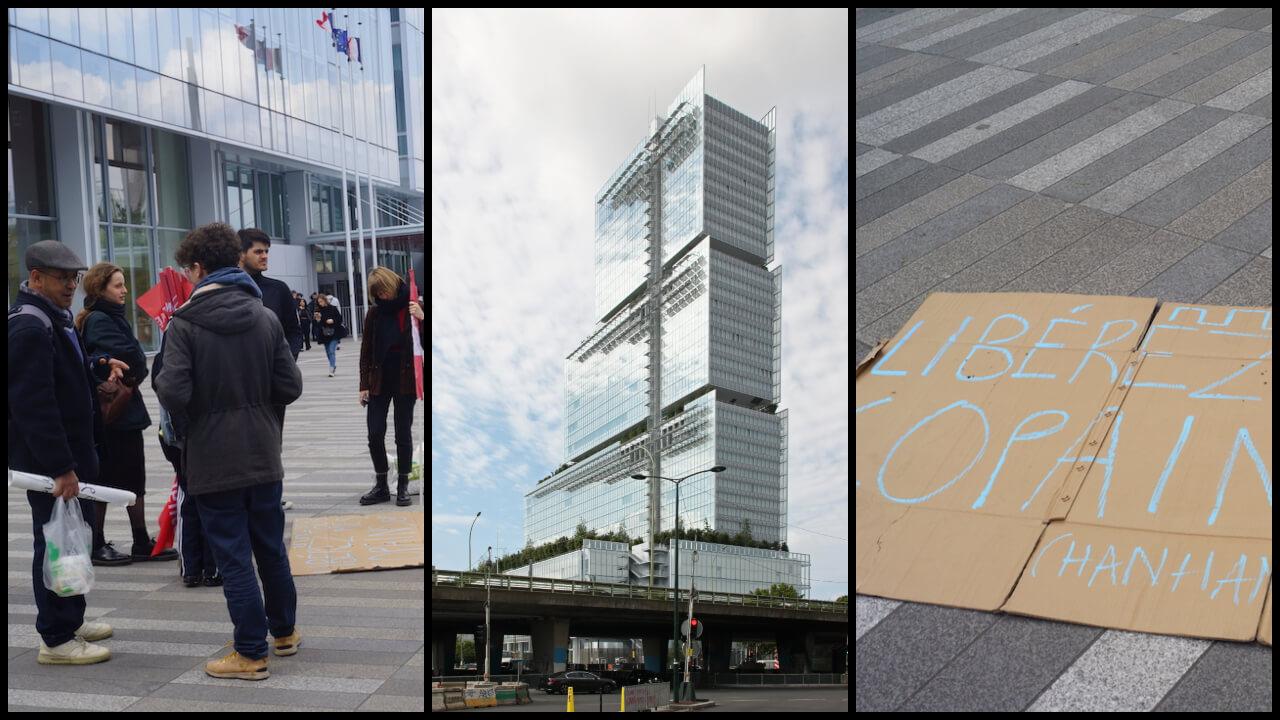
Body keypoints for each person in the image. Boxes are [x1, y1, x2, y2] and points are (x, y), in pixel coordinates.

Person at [153, 222, 303, 681]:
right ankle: (284, 633)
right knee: (270, 548)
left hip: (214, 459)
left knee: (234, 556)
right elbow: (291, 385)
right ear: (235, 261)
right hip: (262, 452)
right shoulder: (265, 317)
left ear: (198, 268)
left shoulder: (185, 325)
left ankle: (250, 651)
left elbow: (172, 390)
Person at [8, 240, 128, 665]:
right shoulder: (28, 325)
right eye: (63, 278)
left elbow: (62, 372)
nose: (72, 286)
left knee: (72, 540)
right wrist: (61, 468)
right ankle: (55, 637)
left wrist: (97, 366)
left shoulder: (51, 318)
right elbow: (33, 404)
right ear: (36, 277)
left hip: (71, 457)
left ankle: (71, 618)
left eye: (75, 278)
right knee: (54, 542)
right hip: (52, 465)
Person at [77, 263, 178, 566]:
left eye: (123, 284)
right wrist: (134, 363)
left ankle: (140, 541)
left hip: (123, 413)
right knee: (107, 479)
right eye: (118, 285)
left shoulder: (109, 317)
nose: (124, 291)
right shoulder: (100, 320)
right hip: (113, 415)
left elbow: (134, 363)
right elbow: (133, 360)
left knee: (132, 477)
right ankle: (97, 543)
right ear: (100, 289)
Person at [358, 267, 425, 506]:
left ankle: (404, 484)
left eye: (384, 291)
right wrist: (363, 384)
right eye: (377, 293)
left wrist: (423, 318)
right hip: (379, 378)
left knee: (402, 433)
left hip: (406, 377)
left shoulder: (413, 306)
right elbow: (366, 351)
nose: (382, 297)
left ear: (392, 285)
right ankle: (381, 484)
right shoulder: (374, 314)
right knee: (374, 433)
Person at [313, 294, 344, 377]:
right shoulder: (318, 310)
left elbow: (340, 318)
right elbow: (317, 324)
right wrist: (318, 320)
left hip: (334, 332)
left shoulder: (332, 308)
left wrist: (333, 320)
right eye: (319, 302)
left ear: (325, 300)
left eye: (321, 301)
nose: (320, 303)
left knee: (331, 350)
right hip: (324, 333)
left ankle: (332, 368)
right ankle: (333, 365)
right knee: (328, 352)